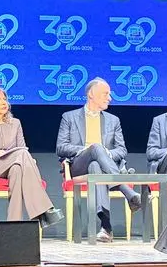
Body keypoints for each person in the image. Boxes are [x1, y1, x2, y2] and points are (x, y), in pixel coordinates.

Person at [56, 77, 141, 243]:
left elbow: (121, 150)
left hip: (102, 168)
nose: (109, 98)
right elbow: (61, 147)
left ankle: (106, 228)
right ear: (91, 94)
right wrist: (88, 150)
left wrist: (105, 153)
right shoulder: (69, 117)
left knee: (96, 166)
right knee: (95, 148)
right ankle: (127, 191)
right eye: (105, 94)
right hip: (79, 166)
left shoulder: (113, 120)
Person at [0, 87, 64, 227]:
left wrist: (20, 156)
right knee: (22, 155)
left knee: (18, 169)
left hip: (14, 163)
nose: (4, 103)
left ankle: (14, 224)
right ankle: (44, 210)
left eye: (4, 99)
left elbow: (22, 148)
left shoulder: (15, 123)